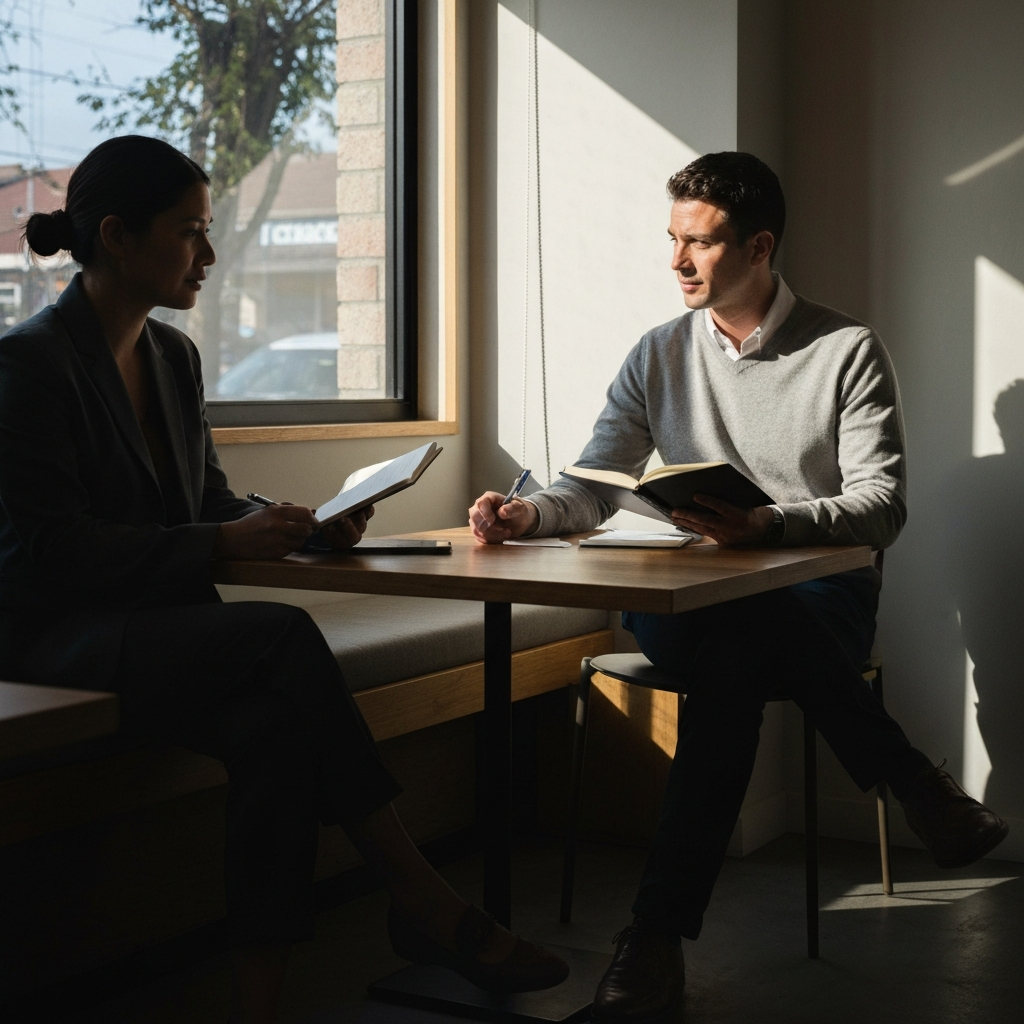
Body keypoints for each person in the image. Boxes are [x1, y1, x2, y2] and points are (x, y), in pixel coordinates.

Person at [0, 135, 567, 1024]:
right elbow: (56, 551)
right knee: (280, 634)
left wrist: (303, 530)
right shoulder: (28, 366)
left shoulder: (173, 359)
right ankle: (419, 896)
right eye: (190, 232)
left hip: (159, 631)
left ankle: (259, 1003)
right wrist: (230, 545)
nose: (210, 254)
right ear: (116, 235)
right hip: (53, 637)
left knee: (273, 730)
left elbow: (208, 501)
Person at [469, 152, 1008, 1024]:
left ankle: (651, 945)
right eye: (673, 239)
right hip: (688, 601)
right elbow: (594, 483)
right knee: (733, 635)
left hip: (817, 600)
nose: (677, 262)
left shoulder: (844, 351)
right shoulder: (657, 353)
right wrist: (527, 517)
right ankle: (908, 779)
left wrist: (771, 528)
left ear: (760, 247)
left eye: (701, 243)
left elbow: (882, 507)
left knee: (737, 658)